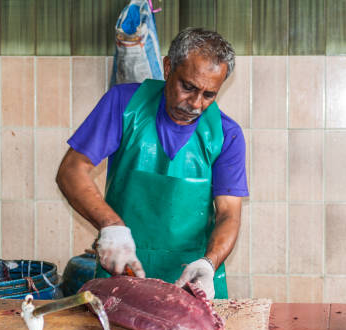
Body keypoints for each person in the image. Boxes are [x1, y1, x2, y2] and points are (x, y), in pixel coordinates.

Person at [56, 28, 248, 300]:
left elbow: (229, 213)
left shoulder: (226, 134)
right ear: (168, 67)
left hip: (192, 281)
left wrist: (210, 262)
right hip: (123, 273)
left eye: (208, 95)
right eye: (188, 87)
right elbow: (71, 170)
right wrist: (111, 226)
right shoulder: (124, 104)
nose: (195, 104)